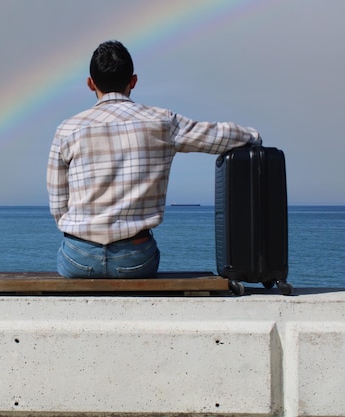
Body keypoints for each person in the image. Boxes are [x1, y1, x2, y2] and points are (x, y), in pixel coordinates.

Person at [47, 40, 262, 279]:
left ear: (90, 83)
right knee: (143, 253)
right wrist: (253, 135)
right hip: (135, 259)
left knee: (72, 254)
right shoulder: (162, 122)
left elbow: (58, 206)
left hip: (78, 257)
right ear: (133, 81)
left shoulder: (67, 129)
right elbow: (216, 136)